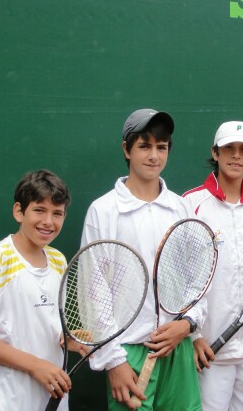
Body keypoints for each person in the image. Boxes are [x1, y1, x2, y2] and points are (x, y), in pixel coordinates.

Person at [81, 108, 203, 411]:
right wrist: (113, 361)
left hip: (177, 346)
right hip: (128, 354)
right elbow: (94, 293)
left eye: (161, 147)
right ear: (126, 149)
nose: (154, 156)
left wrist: (188, 324)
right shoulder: (103, 211)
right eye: (144, 146)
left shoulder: (181, 208)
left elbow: (198, 278)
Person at [0, 169, 79, 411]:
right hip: (2, 400)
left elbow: (42, 323)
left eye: (57, 213)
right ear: (19, 211)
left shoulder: (58, 260)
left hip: (51, 399)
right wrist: (36, 365)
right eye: (39, 210)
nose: (48, 222)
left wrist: (67, 339)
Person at [183, 120, 243, 410]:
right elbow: (179, 277)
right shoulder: (191, 204)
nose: (236, 155)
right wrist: (194, 335)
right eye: (229, 149)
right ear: (215, 153)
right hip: (211, 351)